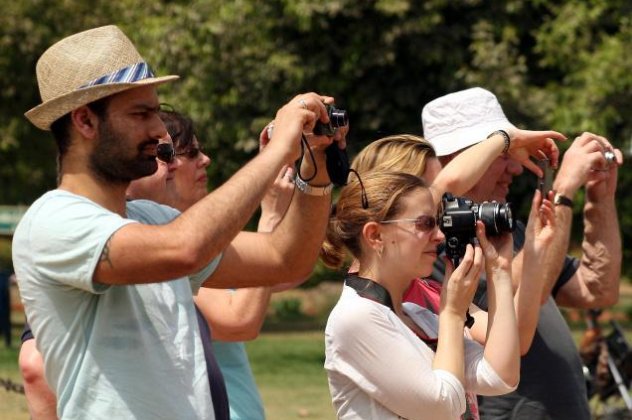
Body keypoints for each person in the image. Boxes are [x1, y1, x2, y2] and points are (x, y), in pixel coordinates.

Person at [13, 25, 343, 419]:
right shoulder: (53, 220)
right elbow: (184, 249)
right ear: (85, 121)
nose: (158, 130)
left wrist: (314, 166)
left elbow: (284, 259)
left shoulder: (153, 218)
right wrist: (277, 153)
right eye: (141, 114)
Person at [421, 87, 623, 419]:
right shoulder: (433, 241)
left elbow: (596, 288)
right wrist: (562, 191)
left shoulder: (502, 225)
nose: (516, 168)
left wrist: (599, 199)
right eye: (503, 154)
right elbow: (517, 291)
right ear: (457, 159)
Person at [345, 132, 561, 419]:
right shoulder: (360, 312)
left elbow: (502, 369)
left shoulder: (420, 296)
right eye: (428, 217)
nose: (440, 230)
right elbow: (442, 405)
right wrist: (506, 138)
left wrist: (508, 266)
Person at [321, 169, 521, 420]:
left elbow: (500, 377)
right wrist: (452, 313)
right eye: (425, 224)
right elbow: (442, 406)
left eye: (437, 222)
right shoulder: (355, 317)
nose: (439, 236)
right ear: (375, 235)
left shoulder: (417, 315)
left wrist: (500, 270)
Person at [160, 109, 300, 420]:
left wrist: (306, 174)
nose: (206, 159)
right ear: (162, 161)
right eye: (192, 152)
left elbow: (290, 269)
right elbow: (240, 320)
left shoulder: (200, 242)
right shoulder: (165, 249)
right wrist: (271, 216)